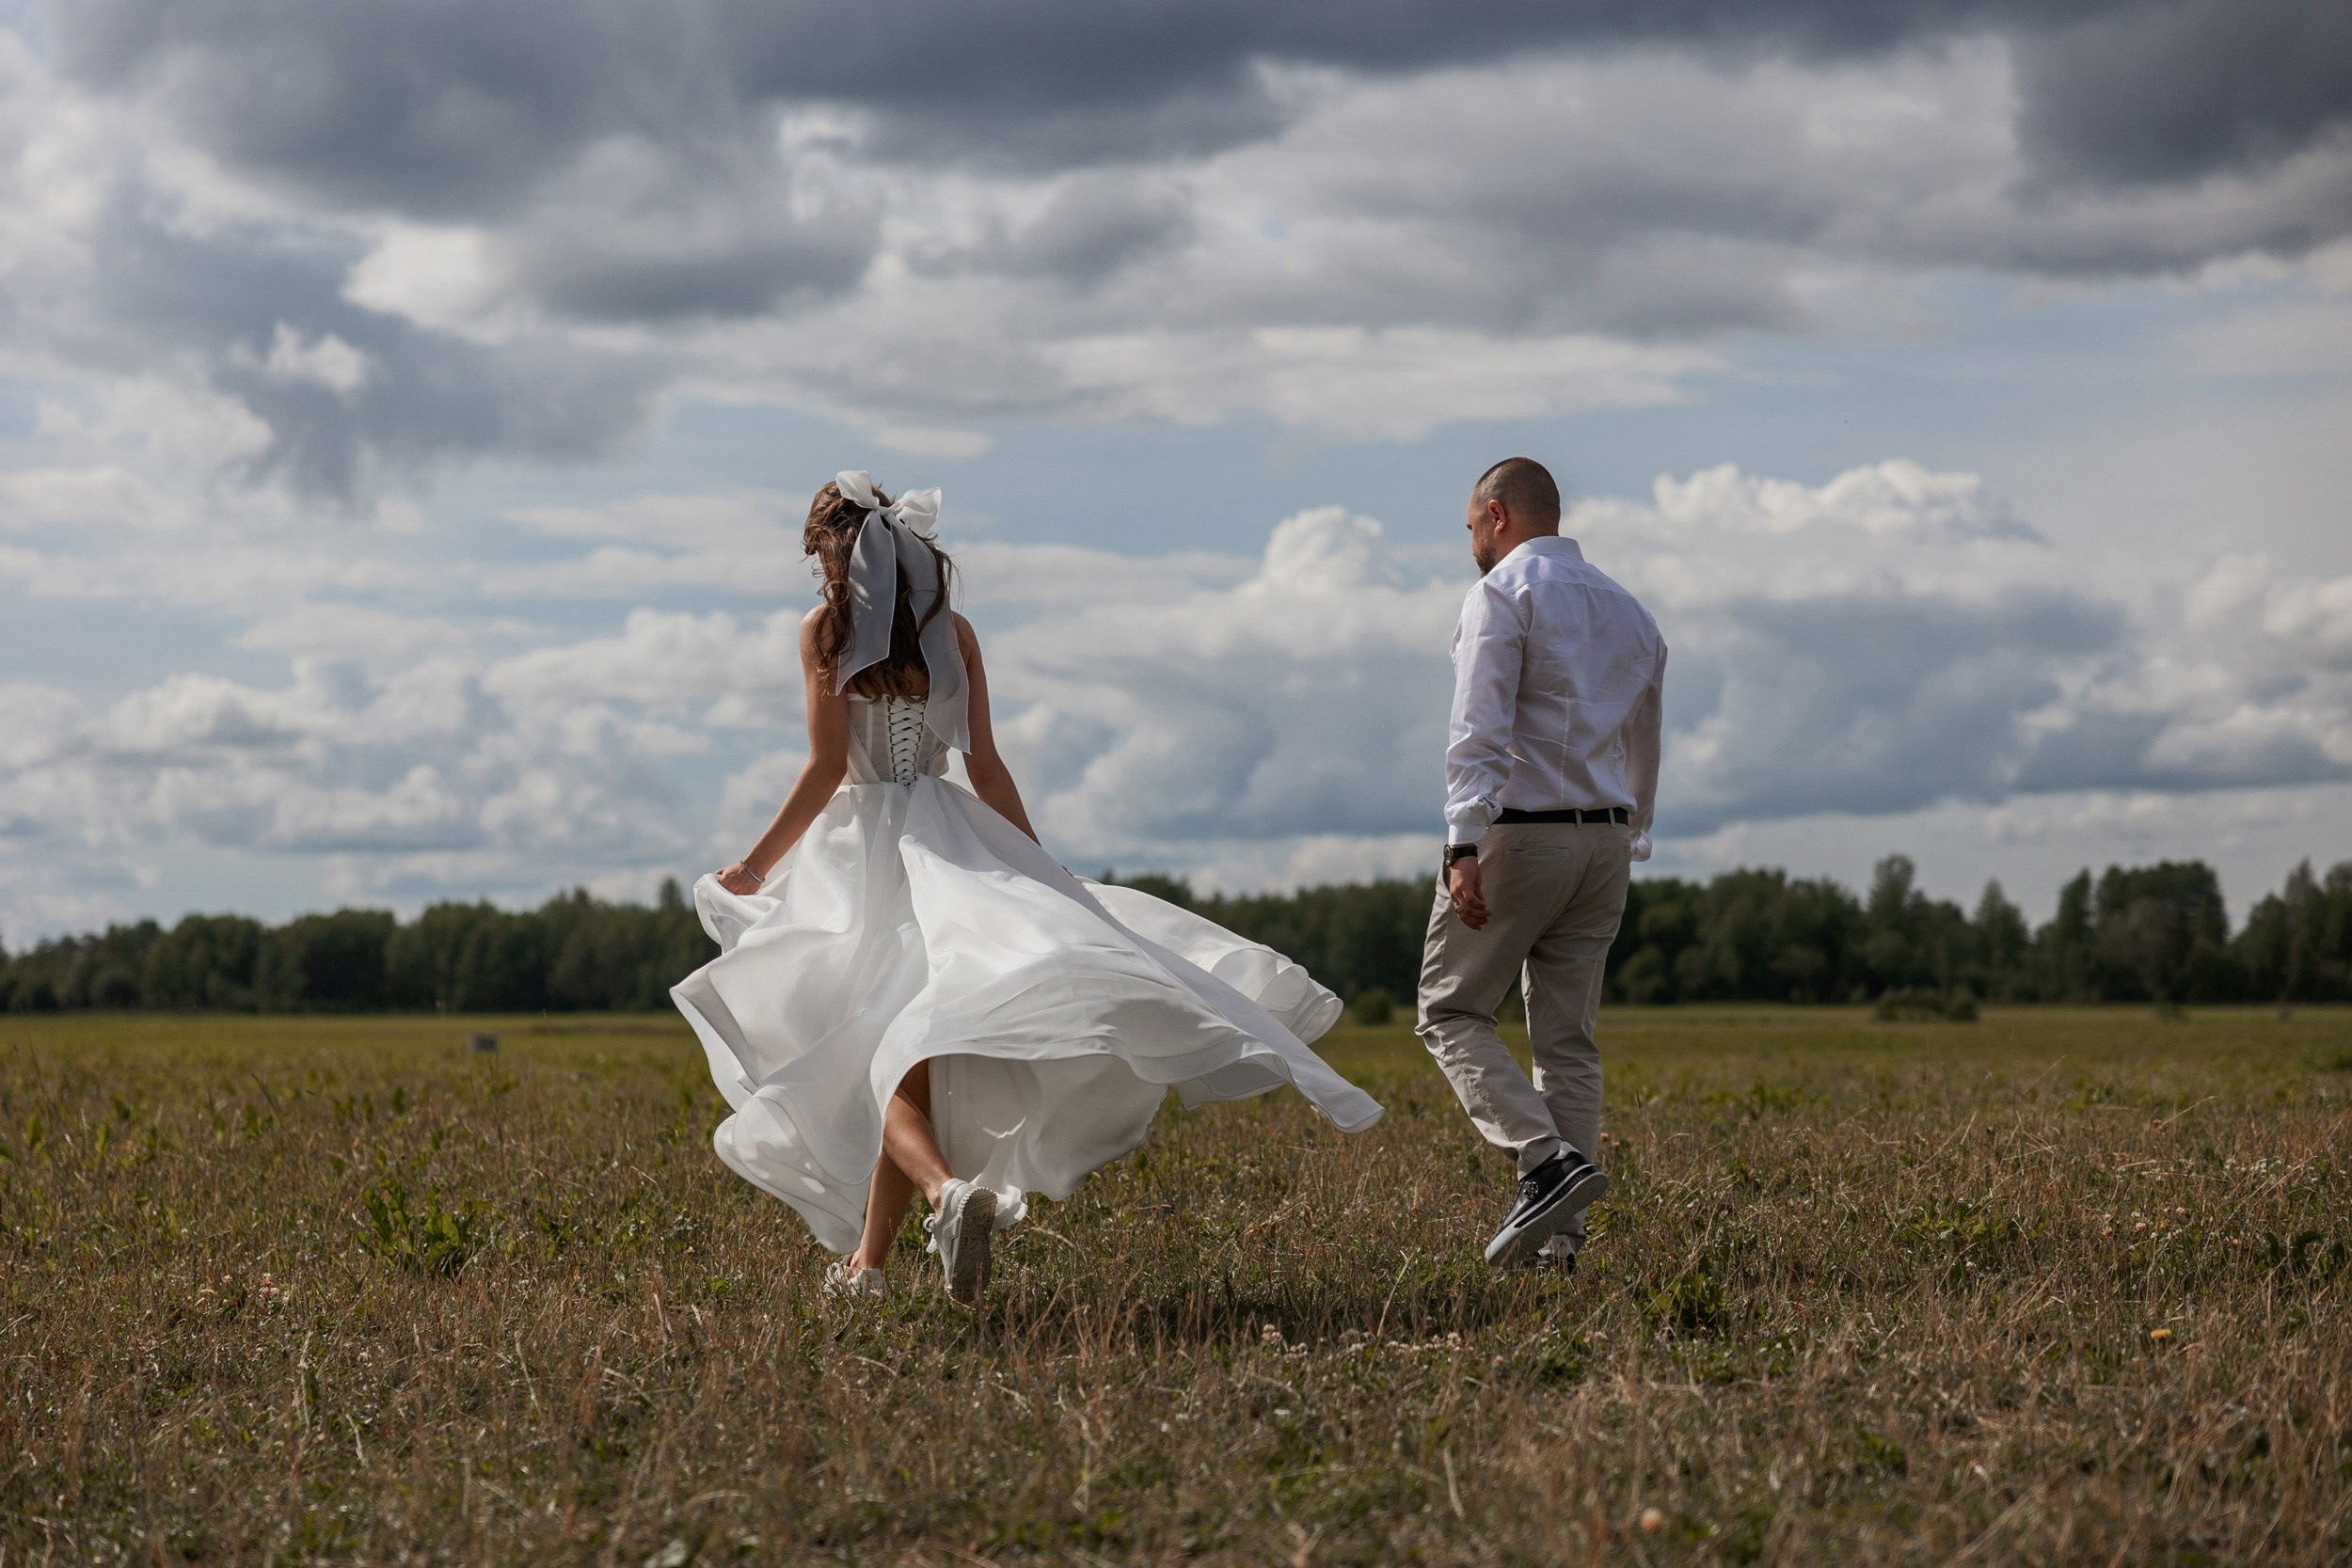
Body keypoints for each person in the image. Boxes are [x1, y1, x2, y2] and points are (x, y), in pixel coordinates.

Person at [673, 471, 1383, 1305]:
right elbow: (985, 762)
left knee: (863, 1057)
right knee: (906, 1058)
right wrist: (1038, 867)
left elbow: (830, 765)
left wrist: (755, 867)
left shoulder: (825, 631)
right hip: (949, 838)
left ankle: (945, 1195)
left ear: (834, 553)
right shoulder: (953, 629)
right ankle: (868, 1264)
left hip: (861, 852)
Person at [1417, 457, 1665, 1272]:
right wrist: (1633, 831)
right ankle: (1561, 1246)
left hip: (1521, 832)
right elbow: (1644, 744)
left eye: (1470, 530)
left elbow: (1477, 730)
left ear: (1497, 515)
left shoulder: (1501, 596)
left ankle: (1545, 1161)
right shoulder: (1633, 614)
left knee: (1449, 1011)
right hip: (1605, 842)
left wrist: (1461, 841)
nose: (1472, 547)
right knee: (1567, 1044)